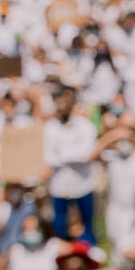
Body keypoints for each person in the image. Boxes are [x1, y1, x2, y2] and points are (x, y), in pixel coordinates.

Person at [41, 89, 97, 243]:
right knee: (60, 227)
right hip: (59, 187)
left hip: (83, 185)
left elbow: (86, 155)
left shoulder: (85, 125)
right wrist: (73, 155)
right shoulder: (50, 127)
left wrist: (63, 155)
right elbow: (49, 158)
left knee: (87, 227)